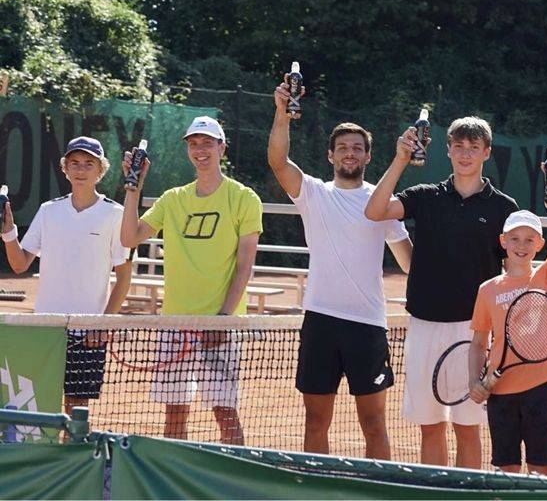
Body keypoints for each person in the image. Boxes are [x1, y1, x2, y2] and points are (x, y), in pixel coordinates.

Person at [267, 77, 412, 460]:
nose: (350, 153)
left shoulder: (383, 203)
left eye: (357, 148)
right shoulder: (313, 192)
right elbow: (278, 162)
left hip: (368, 326)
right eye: (343, 147)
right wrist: (282, 113)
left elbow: (410, 263)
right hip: (320, 322)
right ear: (331, 155)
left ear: (367, 157)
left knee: (374, 424)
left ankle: (376, 490)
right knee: (315, 421)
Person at [365, 117, 518, 468]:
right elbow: (375, 211)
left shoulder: (504, 208)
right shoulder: (424, 197)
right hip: (423, 327)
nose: (466, 154)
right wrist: (401, 158)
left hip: (473, 333)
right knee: (430, 427)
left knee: (468, 428)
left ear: (486, 153)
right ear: (447, 150)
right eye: (459, 147)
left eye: (473, 148)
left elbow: (512, 273)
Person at [120, 116, 263, 446]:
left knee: (224, 411)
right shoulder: (172, 199)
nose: (200, 150)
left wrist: (223, 320)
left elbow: (244, 266)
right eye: (194, 143)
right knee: (175, 411)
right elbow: (129, 238)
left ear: (221, 147)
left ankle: (232, 487)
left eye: (207, 143)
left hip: (220, 325)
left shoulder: (244, 198)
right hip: (175, 323)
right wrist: (134, 187)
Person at [2, 136, 132, 418]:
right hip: (45, 330)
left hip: (88, 332)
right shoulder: (49, 211)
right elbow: (20, 264)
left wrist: (104, 323)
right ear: (65, 169)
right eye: (74, 163)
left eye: (88, 164)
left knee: (77, 409)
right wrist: (8, 232)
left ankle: (73, 460)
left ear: (101, 171)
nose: (81, 170)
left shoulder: (115, 214)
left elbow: (123, 276)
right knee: (39, 402)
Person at [468, 174, 547, 475]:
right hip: (500, 392)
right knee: (505, 469)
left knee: (541, 468)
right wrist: (475, 380)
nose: (521, 246)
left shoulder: (545, 277)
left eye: (529, 240)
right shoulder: (487, 289)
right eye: (514, 238)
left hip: (541, 388)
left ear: (539, 244)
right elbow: (477, 344)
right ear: (503, 241)